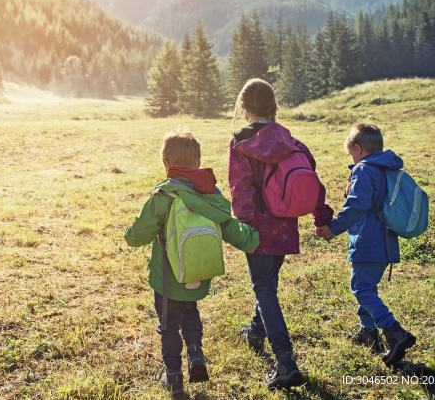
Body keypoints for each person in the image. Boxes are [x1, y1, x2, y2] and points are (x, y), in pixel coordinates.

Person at [125, 126, 260, 399]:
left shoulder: (162, 196)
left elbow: (137, 236)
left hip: (168, 277)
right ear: (197, 163)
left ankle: (173, 376)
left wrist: (129, 233)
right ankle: (196, 357)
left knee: (168, 324)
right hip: (198, 273)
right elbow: (232, 228)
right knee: (190, 313)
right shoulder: (212, 193)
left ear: (165, 163)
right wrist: (255, 239)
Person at [229, 78, 333, 389]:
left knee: (264, 290)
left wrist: (245, 226)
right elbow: (312, 181)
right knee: (268, 285)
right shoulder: (291, 140)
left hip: (258, 228)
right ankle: (255, 333)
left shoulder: (240, 143)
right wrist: (322, 217)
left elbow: (240, 187)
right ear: (275, 108)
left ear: (245, 109)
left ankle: (285, 362)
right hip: (286, 227)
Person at [316, 122, 417, 366]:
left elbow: (356, 206)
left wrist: (333, 228)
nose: (352, 159)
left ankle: (394, 333)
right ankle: (368, 333)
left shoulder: (364, 170)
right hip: (385, 241)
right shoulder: (384, 169)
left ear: (358, 149)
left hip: (368, 241)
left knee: (361, 288)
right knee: (366, 286)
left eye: (351, 154)